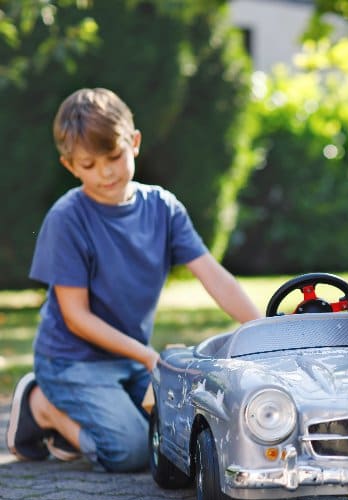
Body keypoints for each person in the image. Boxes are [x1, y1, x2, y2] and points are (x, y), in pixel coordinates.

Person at [5, 87, 262, 473]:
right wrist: (146, 356)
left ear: (135, 143)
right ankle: (42, 409)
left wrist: (261, 330)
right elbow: (76, 317)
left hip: (127, 358)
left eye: (114, 156)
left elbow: (214, 277)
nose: (106, 172)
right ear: (70, 166)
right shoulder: (67, 219)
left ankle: (79, 412)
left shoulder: (162, 208)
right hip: (72, 362)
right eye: (89, 165)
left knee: (172, 433)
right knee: (130, 453)